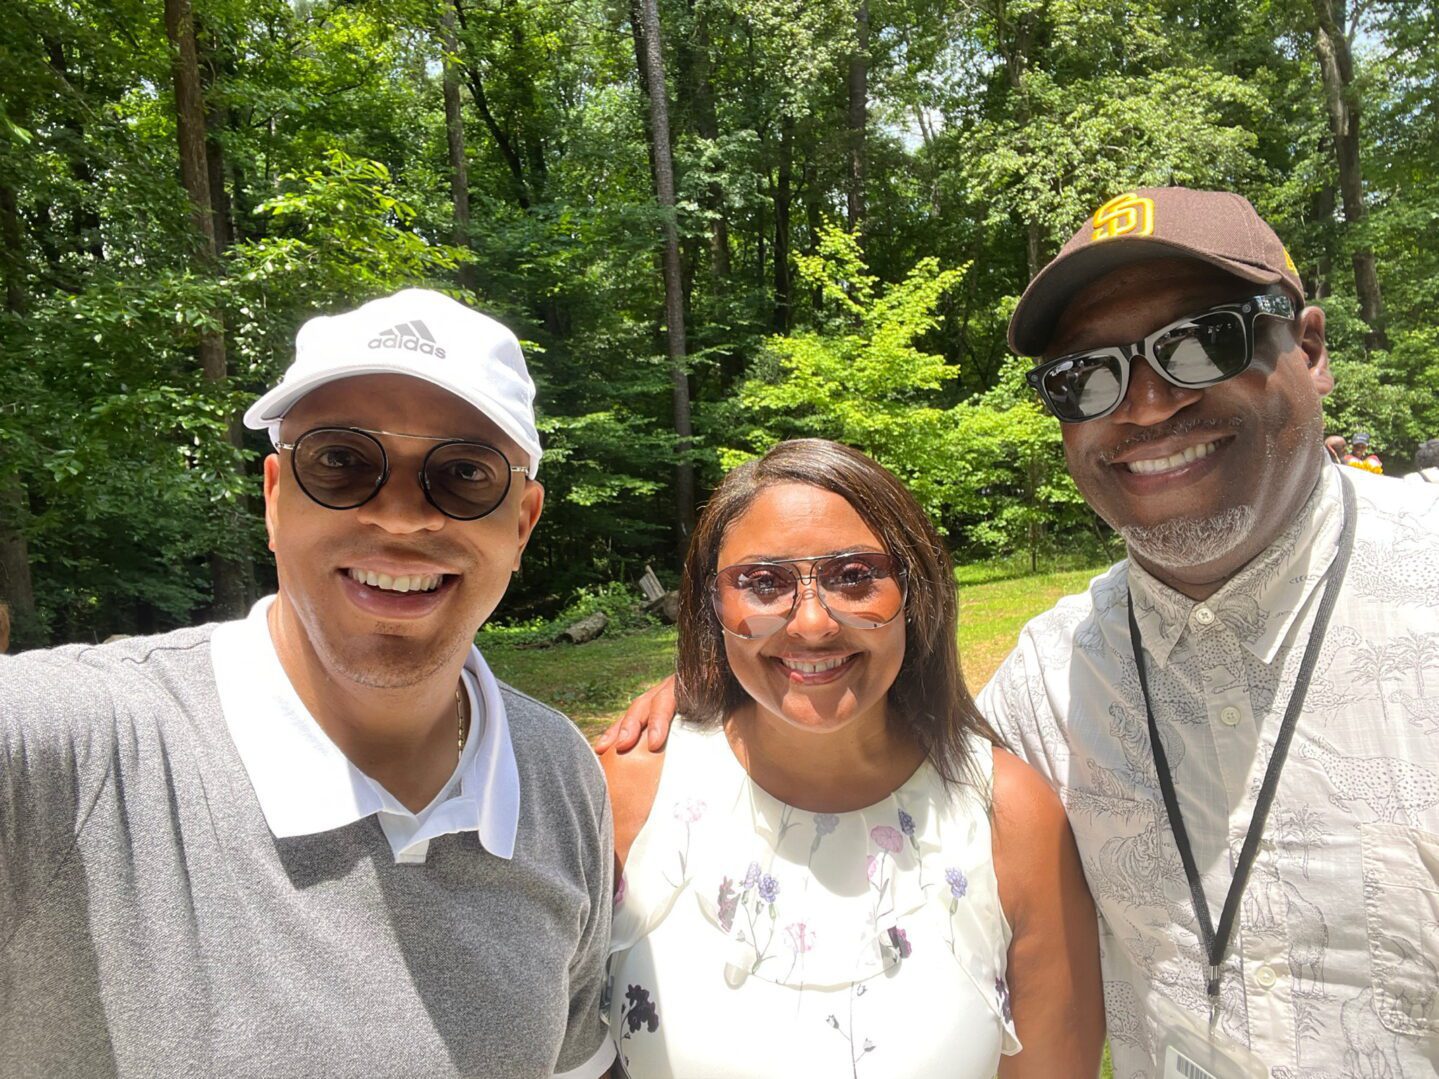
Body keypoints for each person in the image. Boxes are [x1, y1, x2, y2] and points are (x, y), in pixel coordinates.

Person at [601, 188, 1439, 1075]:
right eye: (1089, 375)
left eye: (1203, 343)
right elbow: (885, 744)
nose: (1147, 406)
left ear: (1308, 348)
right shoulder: (1052, 681)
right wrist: (731, 682)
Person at [0, 289, 615, 1079]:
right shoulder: (74, 751)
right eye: (340, 461)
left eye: (463, 474)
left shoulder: (556, 771)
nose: (399, 517)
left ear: (521, 522)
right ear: (273, 497)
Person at [599, 438, 1102, 1077]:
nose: (812, 623)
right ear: (712, 606)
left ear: (915, 592)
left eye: (855, 575)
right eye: (762, 582)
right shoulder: (630, 795)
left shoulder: (1012, 821)